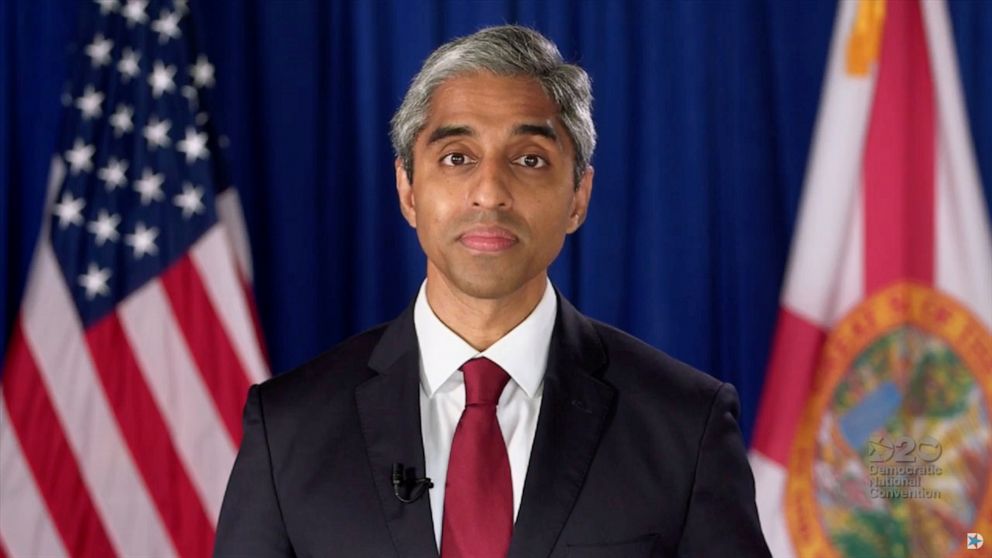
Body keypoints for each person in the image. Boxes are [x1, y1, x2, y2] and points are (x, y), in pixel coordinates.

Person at [215, 25, 771, 558]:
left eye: (529, 160)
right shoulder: (288, 427)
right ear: (407, 189)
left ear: (578, 195)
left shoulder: (685, 425)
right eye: (457, 158)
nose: (489, 192)